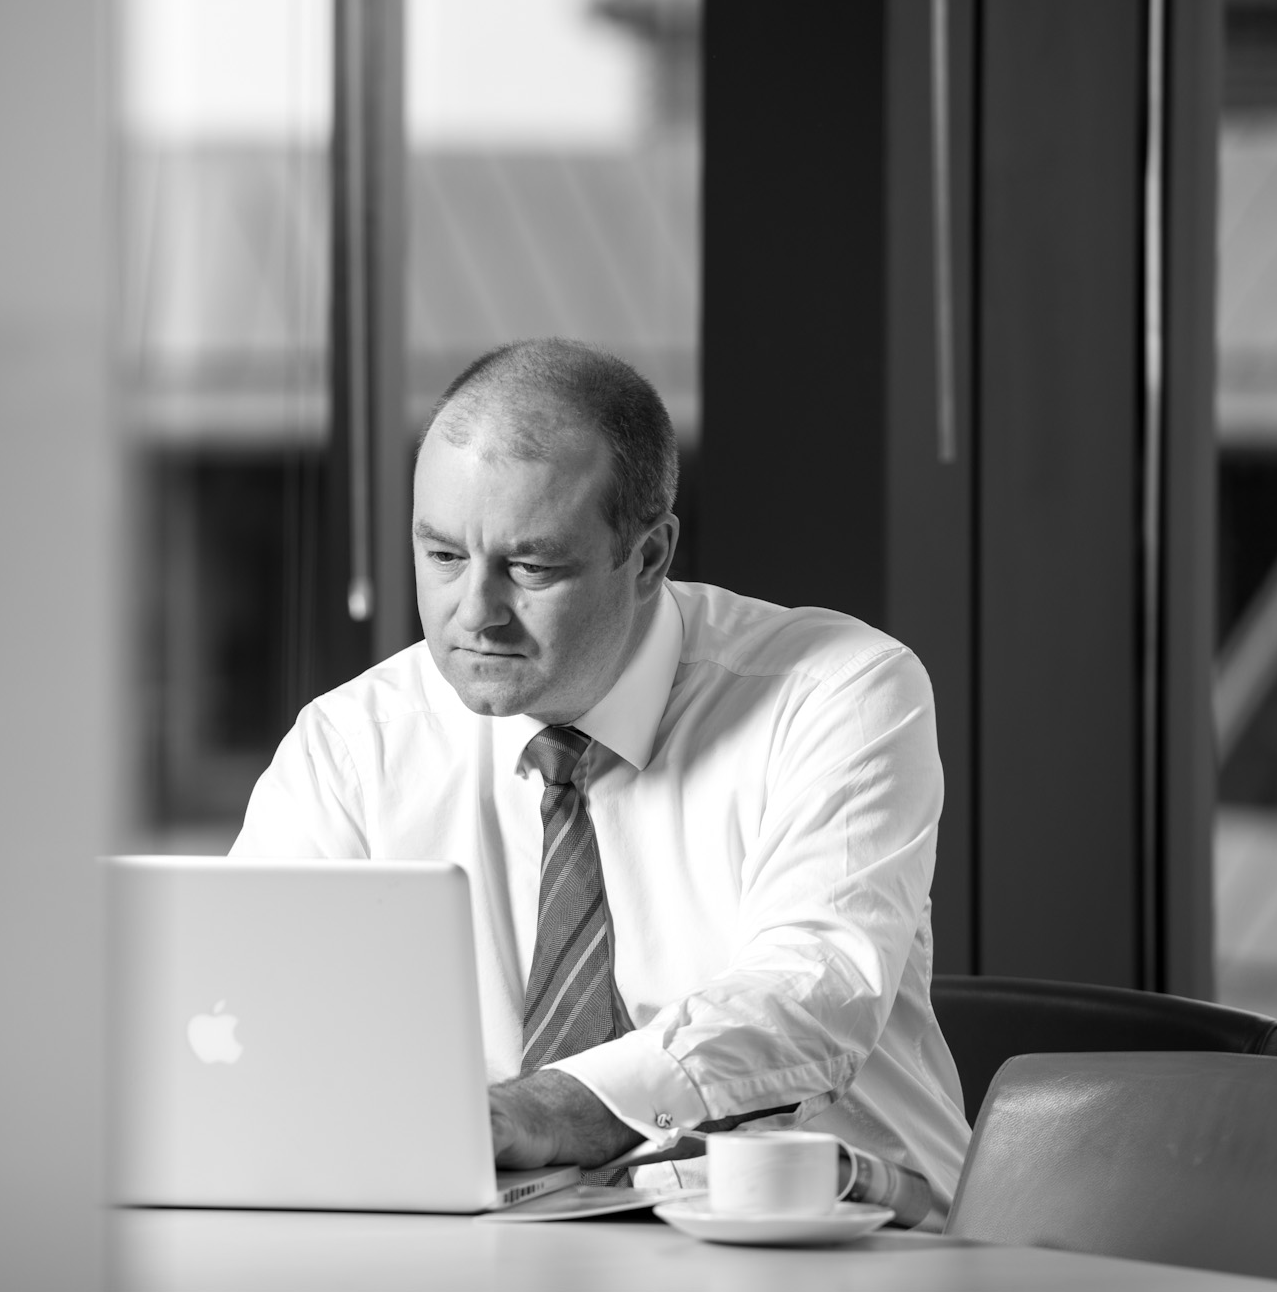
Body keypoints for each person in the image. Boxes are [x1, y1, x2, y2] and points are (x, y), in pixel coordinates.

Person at [230, 338, 971, 1214]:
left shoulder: (838, 691)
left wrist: (552, 1109)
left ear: (649, 555)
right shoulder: (355, 742)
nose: (474, 612)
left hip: (842, 1231)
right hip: (490, 1247)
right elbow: (247, 1005)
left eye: (530, 566)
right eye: (442, 556)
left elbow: (811, 986)